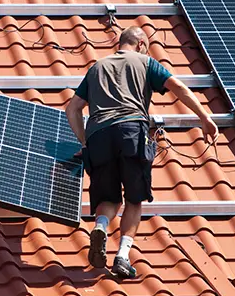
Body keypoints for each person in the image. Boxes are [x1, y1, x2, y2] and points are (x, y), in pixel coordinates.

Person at [66, 26, 219, 279]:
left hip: (99, 135)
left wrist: (85, 144)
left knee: (109, 198)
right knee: (134, 198)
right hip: (131, 131)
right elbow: (178, 87)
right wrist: (204, 117)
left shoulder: (96, 68)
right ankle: (123, 257)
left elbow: (72, 109)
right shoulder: (146, 62)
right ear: (140, 44)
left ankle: (101, 227)